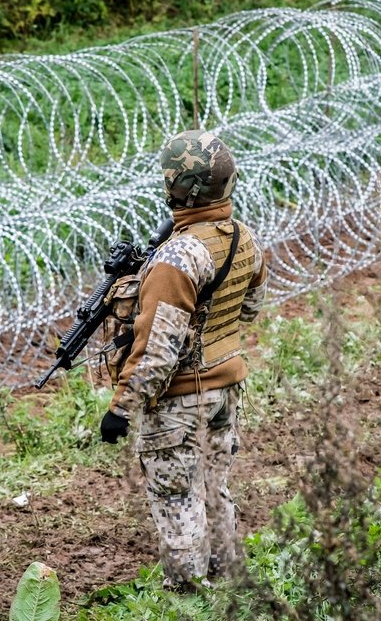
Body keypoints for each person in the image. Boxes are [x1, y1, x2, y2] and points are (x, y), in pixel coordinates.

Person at [99, 129, 268, 590]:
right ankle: (227, 582)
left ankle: (190, 598)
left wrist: (120, 410)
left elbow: (156, 354)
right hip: (225, 391)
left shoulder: (177, 258)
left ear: (176, 188)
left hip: (179, 402)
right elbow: (249, 311)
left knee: (177, 500)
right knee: (215, 489)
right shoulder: (245, 240)